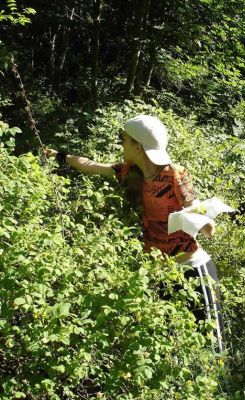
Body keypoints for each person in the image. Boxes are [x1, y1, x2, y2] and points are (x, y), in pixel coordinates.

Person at [44, 114, 224, 351]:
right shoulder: (130, 173)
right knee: (174, 345)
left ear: (137, 146)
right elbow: (91, 166)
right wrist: (60, 156)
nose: (121, 144)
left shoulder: (175, 174)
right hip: (163, 273)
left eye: (124, 140)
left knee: (213, 346)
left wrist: (203, 221)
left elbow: (202, 218)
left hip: (193, 269)